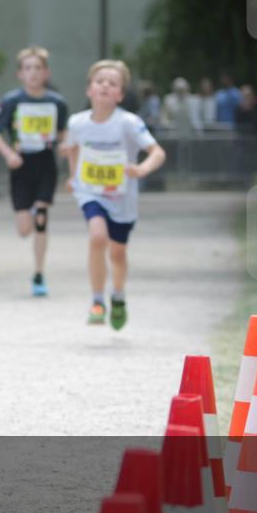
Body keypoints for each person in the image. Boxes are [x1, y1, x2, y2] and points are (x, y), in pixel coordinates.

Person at [61, 60, 166, 330]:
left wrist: (141, 169)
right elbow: (73, 149)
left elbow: (157, 152)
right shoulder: (77, 123)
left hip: (122, 198)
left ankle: (118, 295)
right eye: (100, 81)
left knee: (118, 253)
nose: (105, 86)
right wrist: (73, 176)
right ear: (89, 90)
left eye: (112, 83)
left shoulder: (129, 123)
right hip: (90, 191)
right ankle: (97, 301)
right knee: (98, 237)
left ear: (120, 94)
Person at [0, 46, 68, 297]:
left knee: (41, 218)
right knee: (25, 230)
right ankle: (28, 213)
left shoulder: (57, 102)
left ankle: (39, 273)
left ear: (46, 73)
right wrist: (9, 154)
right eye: (28, 68)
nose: (33, 73)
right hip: (20, 166)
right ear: (20, 74)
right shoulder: (12, 101)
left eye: (38, 68)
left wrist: (65, 145)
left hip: (45, 164)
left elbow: (63, 133)